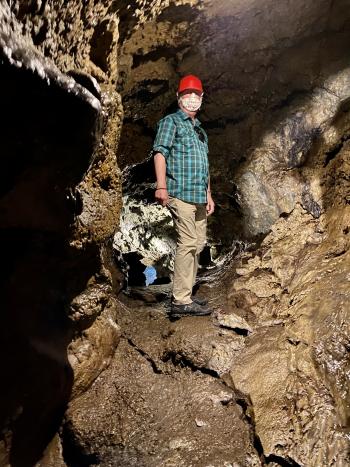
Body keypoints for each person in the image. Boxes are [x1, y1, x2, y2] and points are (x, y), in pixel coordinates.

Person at [153, 74, 215, 318]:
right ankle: (180, 301)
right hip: (180, 193)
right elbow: (160, 152)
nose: (191, 99)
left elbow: (205, 166)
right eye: (187, 95)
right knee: (188, 243)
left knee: (198, 244)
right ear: (179, 98)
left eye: (196, 95)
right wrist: (161, 186)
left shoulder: (201, 131)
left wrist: (209, 195)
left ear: (201, 99)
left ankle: (186, 293)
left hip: (199, 196)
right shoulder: (171, 122)